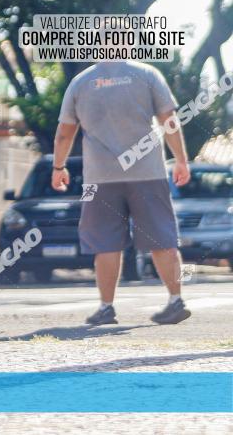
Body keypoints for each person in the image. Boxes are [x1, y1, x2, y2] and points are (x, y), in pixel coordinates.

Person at [52, 60, 192, 325]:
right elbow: (168, 120)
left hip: (100, 176)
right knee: (161, 237)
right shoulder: (147, 74)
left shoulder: (81, 82)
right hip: (148, 171)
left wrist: (59, 166)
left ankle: (106, 308)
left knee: (105, 243)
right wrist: (181, 159)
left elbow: (65, 132)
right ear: (127, 44)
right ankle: (175, 301)